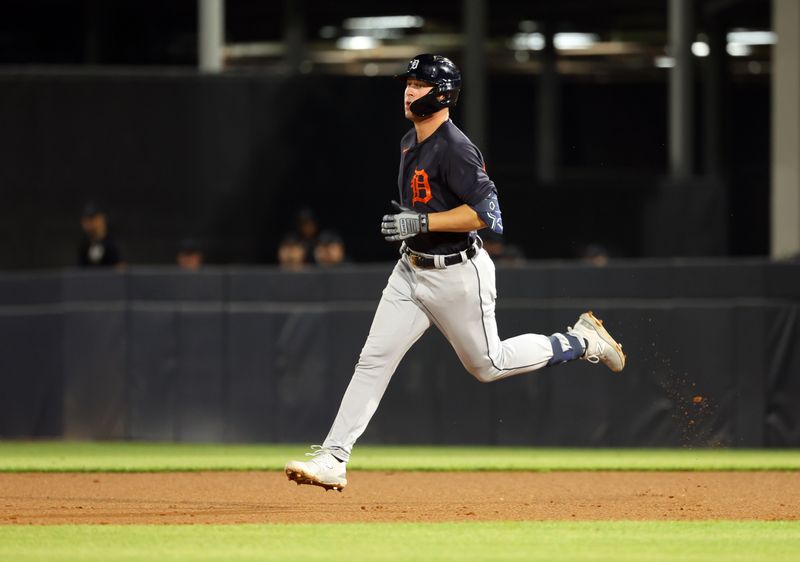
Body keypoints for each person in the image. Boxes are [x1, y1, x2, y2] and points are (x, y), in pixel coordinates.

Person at [284, 54, 626, 492]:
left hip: (458, 274)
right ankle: (334, 458)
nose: (409, 90)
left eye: (420, 84)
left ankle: (581, 341)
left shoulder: (456, 148)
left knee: (489, 364)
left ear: (442, 94)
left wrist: (423, 223)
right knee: (373, 362)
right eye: (408, 83)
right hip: (410, 273)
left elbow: (489, 215)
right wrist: (417, 225)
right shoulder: (410, 141)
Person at [77, 202, 122, 268]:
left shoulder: (112, 242)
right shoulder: (84, 244)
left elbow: (120, 268)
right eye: (86, 220)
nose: (89, 224)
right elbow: (79, 271)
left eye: (92, 219)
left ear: (101, 219)